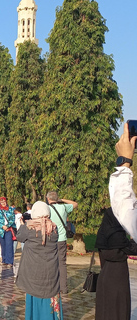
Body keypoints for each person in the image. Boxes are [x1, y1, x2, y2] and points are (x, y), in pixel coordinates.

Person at [95, 121, 137, 320]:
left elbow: (124, 205)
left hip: (106, 276)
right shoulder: (120, 236)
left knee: (106, 311)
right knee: (118, 310)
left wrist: (124, 162)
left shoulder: (106, 232)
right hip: (118, 276)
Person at [15, 201, 61, 320]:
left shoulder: (29, 228)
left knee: (35, 299)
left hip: (33, 275)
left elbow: (19, 236)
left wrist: (22, 224)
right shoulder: (53, 228)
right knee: (49, 300)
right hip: (51, 274)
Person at [46, 191, 78, 294]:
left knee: (50, 262)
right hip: (62, 239)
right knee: (62, 263)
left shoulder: (47, 209)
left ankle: (52, 286)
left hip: (51, 239)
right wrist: (63, 200)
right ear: (57, 199)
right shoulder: (64, 207)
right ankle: (63, 288)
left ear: (48, 199)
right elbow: (75, 204)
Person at [0, 197, 16, 266]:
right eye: (1, 202)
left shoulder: (10, 210)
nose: (3, 203)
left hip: (9, 230)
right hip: (0, 230)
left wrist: (7, 226)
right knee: (3, 246)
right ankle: (4, 260)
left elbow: (12, 219)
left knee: (9, 245)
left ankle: (9, 261)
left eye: (4, 201)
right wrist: (2, 226)